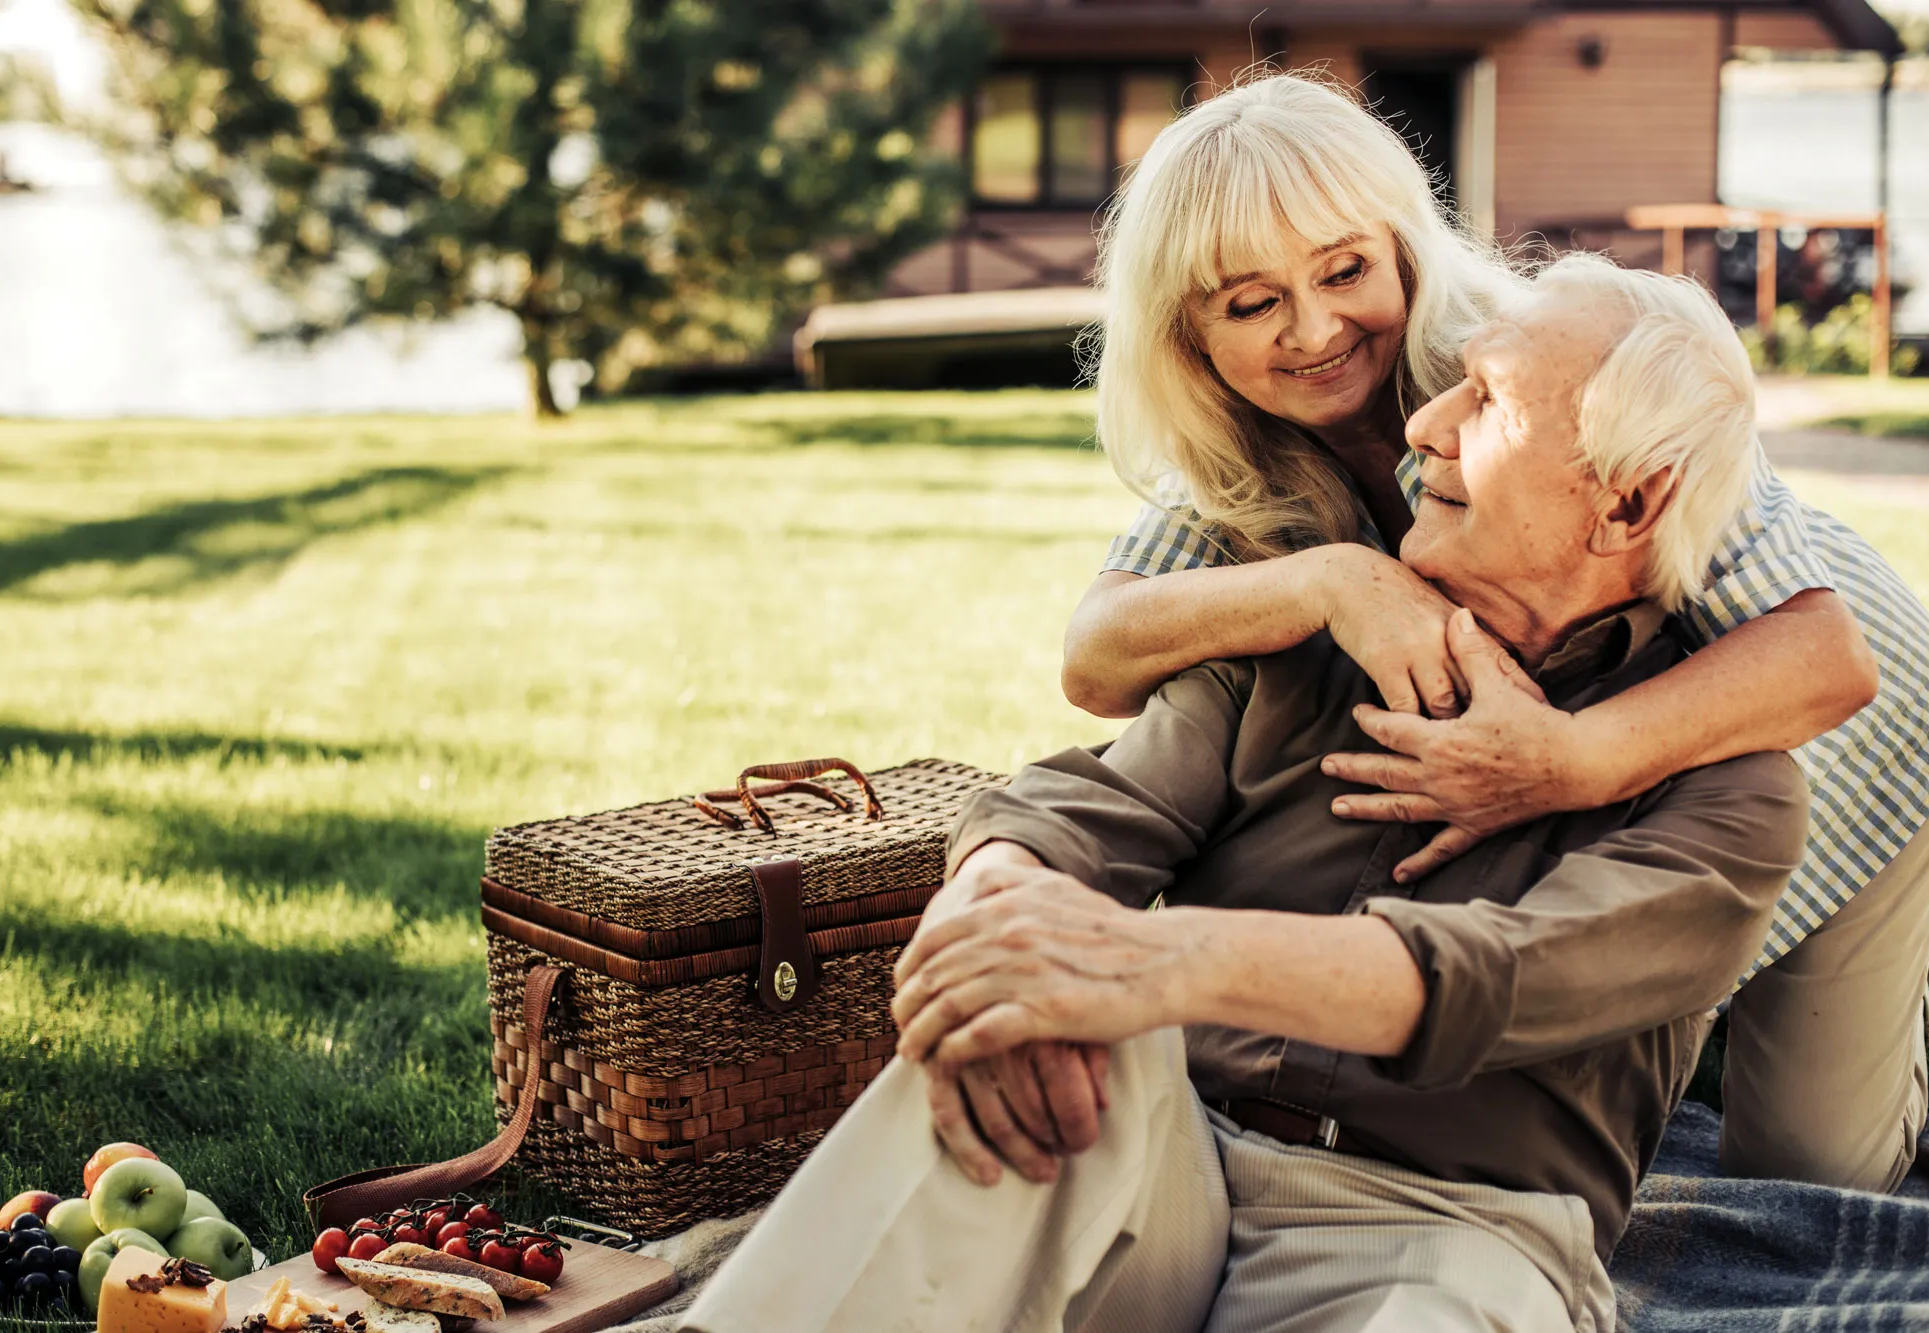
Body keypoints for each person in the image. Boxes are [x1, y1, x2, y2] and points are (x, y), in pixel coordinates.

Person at [681, 256, 1805, 1333]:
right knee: (1032, 1022)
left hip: (1450, 1234)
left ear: (1624, 503)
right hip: (1178, 1162)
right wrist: (994, 917)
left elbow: (1500, 970)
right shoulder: (1301, 640)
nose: (1423, 425)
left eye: (1488, 399)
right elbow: (1075, 815)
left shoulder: (1729, 795)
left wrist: (1150, 961)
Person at [1063, 73, 1929, 1190]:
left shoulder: (1555, 359)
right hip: (1647, 761)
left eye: (1344, 271)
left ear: (1399, 248)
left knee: (1804, 1177)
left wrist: (1564, 764)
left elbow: (1825, 659)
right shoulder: (1237, 459)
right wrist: (1330, 580)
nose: (1313, 329)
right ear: (1188, 333)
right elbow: (1097, 657)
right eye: (1252, 305)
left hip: (1847, 735)